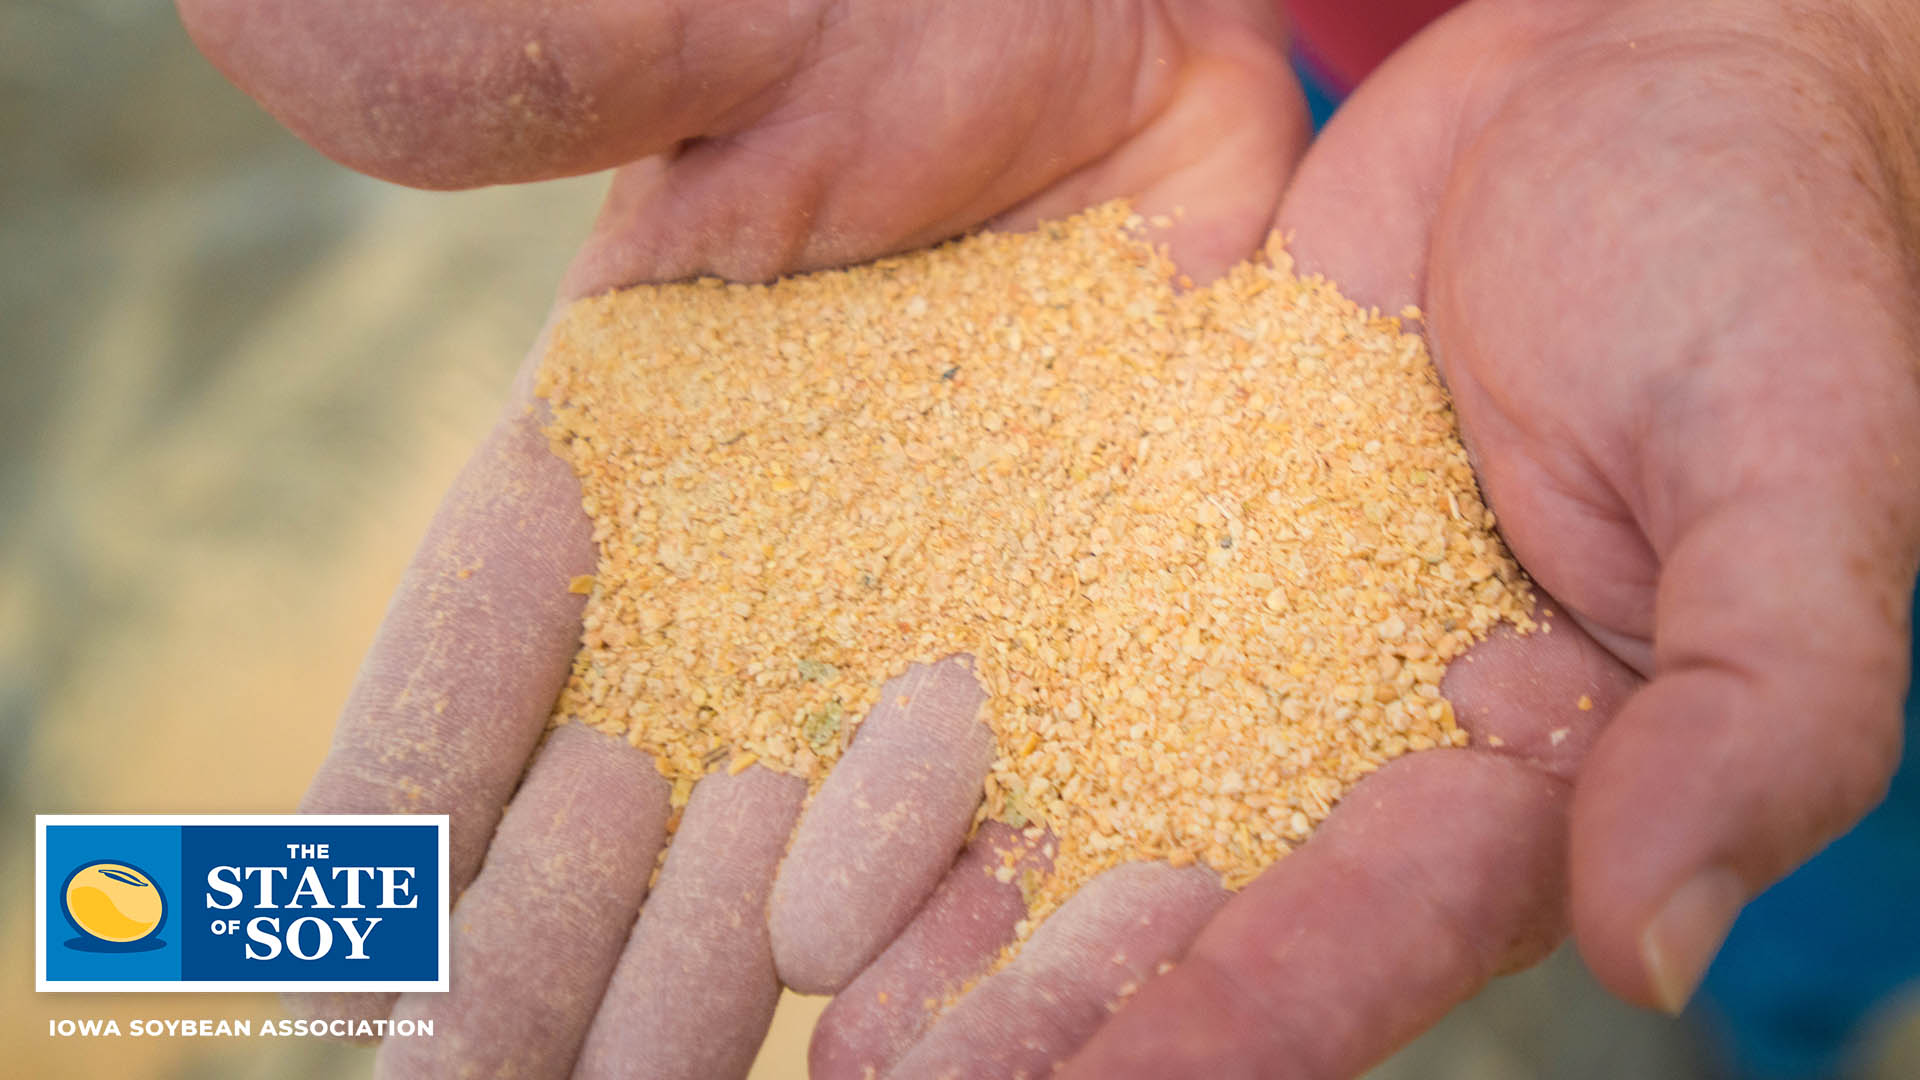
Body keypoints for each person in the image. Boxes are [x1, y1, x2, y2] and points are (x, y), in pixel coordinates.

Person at [175, 0, 1920, 1076]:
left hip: (1681, 175)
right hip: (1248, 96)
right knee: (1695, 764)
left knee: (1778, 733)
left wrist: (1841, 45)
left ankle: (1796, 1016)